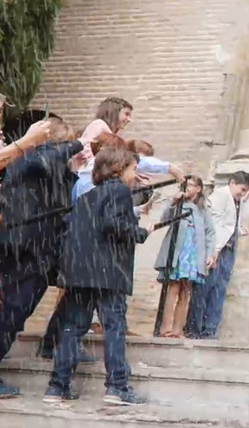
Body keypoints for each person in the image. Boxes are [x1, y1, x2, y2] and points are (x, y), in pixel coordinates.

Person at [45, 147, 152, 405]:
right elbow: (112, 224)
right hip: (108, 273)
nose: (134, 175)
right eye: (133, 169)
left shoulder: (86, 197)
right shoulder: (120, 191)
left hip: (81, 273)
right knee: (114, 327)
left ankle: (57, 387)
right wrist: (141, 232)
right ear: (119, 168)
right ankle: (117, 387)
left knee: (72, 328)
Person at [0, 119, 81, 399]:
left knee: (16, 314)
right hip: (21, 250)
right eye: (66, 144)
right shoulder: (31, 159)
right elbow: (44, 162)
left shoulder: (54, 170)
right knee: (11, 313)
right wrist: (81, 142)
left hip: (38, 256)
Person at [185, 171, 249, 339]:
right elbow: (213, 224)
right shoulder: (220, 196)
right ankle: (194, 329)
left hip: (229, 249)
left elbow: (228, 223)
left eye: (246, 191)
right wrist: (213, 251)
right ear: (232, 183)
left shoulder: (237, 201)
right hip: (218, 249)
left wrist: (239, 231)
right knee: (205, 288)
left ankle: (210, 330)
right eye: (242, 189)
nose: (242, 194)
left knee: (219, 290)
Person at [154, 176, 215, 337]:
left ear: (199, 189)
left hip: (194, 253)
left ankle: (177, 329)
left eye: (191, 185)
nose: (187, 188)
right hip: (178, 251)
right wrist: (173, 202)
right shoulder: (178, 204)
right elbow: (164, 219)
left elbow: (210, 233)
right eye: (186, 185)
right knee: (173, 288)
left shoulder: (203, 210)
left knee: (185, 291)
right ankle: (165, 328)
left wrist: (210, 254)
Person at [73, 97, 133, 171]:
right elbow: (85, 148)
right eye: (126, 114)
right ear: (114, 112)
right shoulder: (98, 125)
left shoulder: (117, 132)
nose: (129, 119)